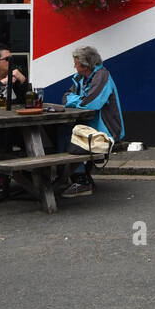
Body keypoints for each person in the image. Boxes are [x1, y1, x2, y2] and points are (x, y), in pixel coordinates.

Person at [59, 45, 124, 198]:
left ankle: (81, 180)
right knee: (61, 131)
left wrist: (76, 100)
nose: (74, 66)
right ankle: (69, 176)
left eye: (75, 63)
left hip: (105, 131)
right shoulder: (81, 78)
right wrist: (79, 99)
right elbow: (65, 97)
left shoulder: (102, 76)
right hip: (87, 126)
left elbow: (91, 103)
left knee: (67, 135)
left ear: (85, 64)